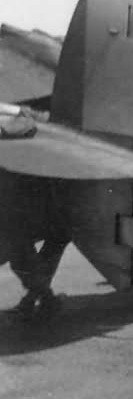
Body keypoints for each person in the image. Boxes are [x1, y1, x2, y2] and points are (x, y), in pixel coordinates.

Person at [0, 110, 69, 318]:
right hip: (29, 207)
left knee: (25, 254)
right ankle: (43, 298)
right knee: (28, 254)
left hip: (35, 205)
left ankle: (43, 298)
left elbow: (30, 123)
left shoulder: (22, 123)